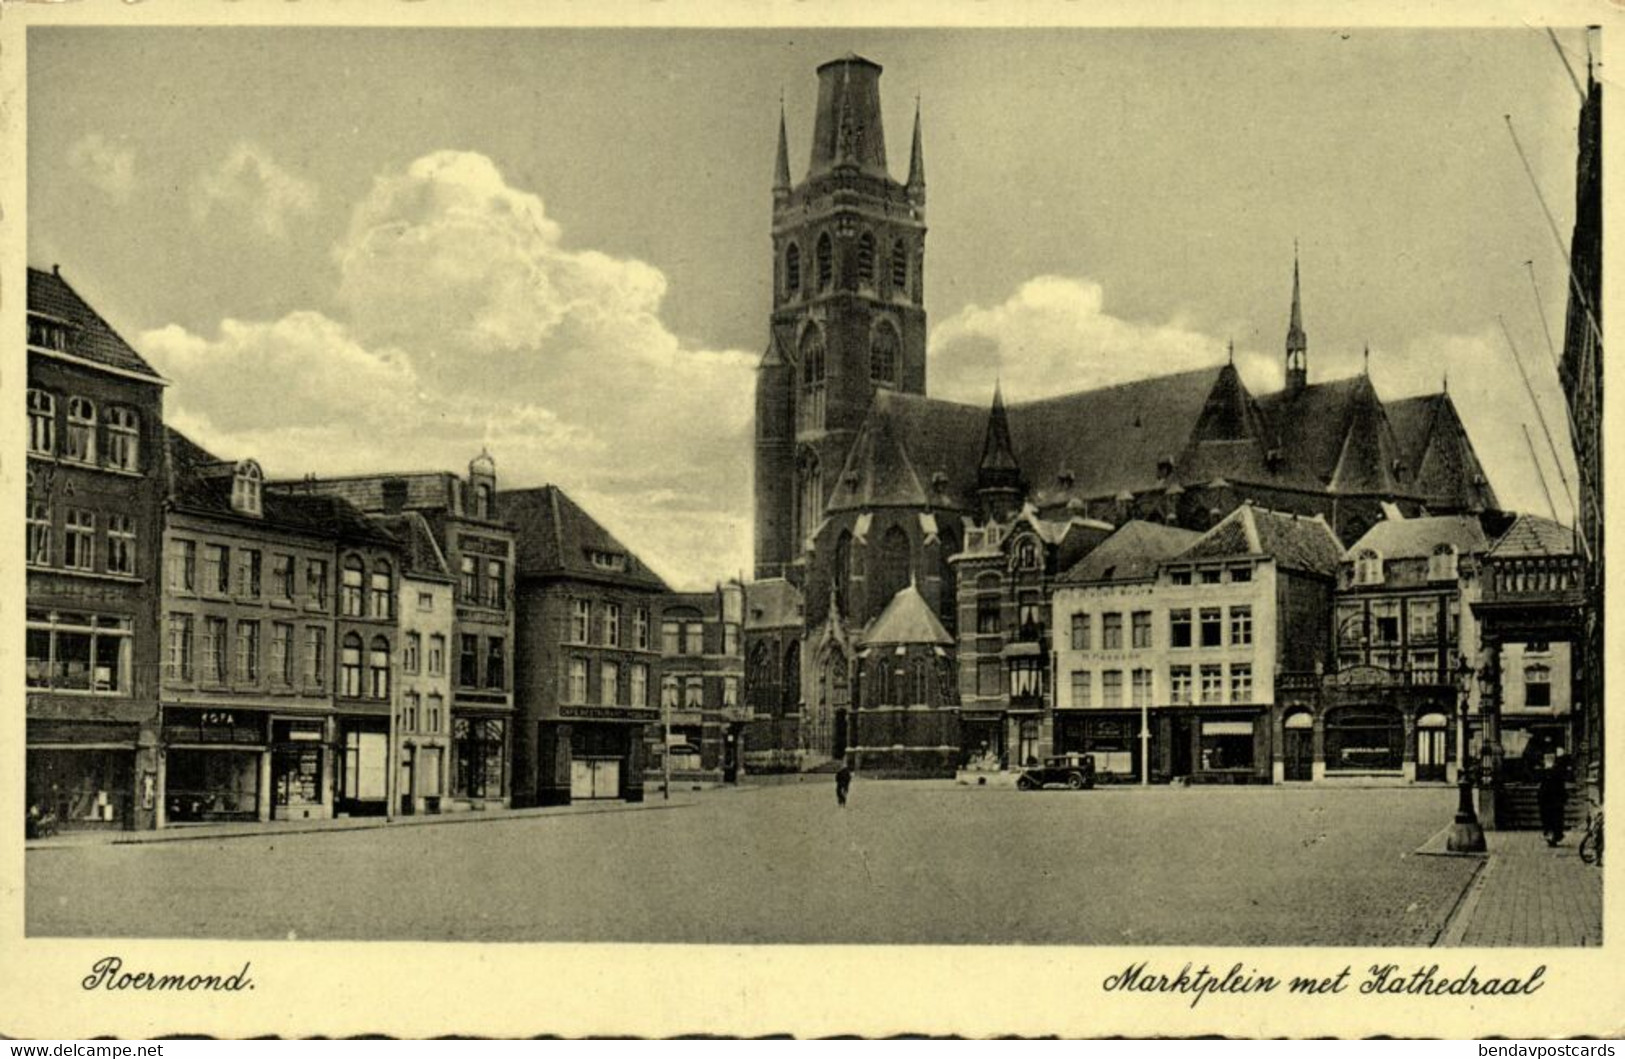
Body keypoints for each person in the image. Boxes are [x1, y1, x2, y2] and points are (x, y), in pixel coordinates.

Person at [1538, 745, 1572, 846]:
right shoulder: (1555, 775)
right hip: (1552, 800)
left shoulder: (1553, 774)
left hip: (1552, 800)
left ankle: (1553, 836)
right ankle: (1553, 836)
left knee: (1551, 819)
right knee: (1553, 819)